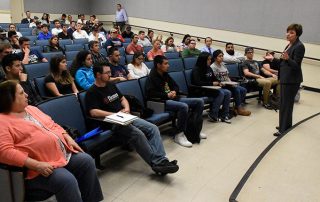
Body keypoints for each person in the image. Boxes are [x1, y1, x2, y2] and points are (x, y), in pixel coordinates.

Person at [0, 80, 104, 202]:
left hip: (60, 155)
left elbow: (53, 125)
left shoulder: (32, 109)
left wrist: (67, 137)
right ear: (9, 98)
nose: (27, 95)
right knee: (66, 180)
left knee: (86, 161)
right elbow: (4, 152)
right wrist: (36, 165)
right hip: (36, 168)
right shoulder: (3, 121)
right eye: (22, 93)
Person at [85, 62, 179, 174]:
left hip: (125, 117)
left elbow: (123, 99)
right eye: (107, 72)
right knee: (138, 134)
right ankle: (157, 164)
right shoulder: (92, 92)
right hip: (112, 123)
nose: (110, 74)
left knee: (153, 128)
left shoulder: (110, 85)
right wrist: (114, 115)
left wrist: (127, 108)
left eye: (110, 72)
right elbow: (93, 112)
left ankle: (161, 161)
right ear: (98, 74)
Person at [147, 55, 206, 147]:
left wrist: (174, 91)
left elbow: (176, 86)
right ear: (158, 65)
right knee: (183, 106)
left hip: (173, 98)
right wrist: (167, 95)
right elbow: (151, 93)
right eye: (165, 64)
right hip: (161, 101)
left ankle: (195, 130)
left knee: (199, 102)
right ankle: (179, 134)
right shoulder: (151, 77)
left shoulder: (165, 74)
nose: (168, 66)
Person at [274, 24, 305, 137]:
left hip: (291, 80)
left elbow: (296, 65)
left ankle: (283, 129)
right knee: (284, 104)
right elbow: (284, 62)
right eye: (287, 32)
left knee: (286, 104)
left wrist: (288, 58)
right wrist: (273, 59)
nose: (288, 34)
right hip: (285, 78)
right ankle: (285, 124)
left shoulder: (299, 46)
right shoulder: (289, 45)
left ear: (297, 35)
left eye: (291, 32)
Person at [191, 52, 232, 123]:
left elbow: (214, 78)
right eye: (208, 59)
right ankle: (213, 115)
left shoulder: (208, 68)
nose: (210, 61)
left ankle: (224, 114)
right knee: (220, 93)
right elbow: (197, 83)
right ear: (203, 60)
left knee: (227, 92)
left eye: (210, 59)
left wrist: (219, 82)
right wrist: (212, 83)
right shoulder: (196, 69)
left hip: (210, 89)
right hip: (200, 90)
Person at [210, 50, 251, 116]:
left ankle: (236, 107)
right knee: (237, 90)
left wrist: (231, 82)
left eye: (222, 56)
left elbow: (227, 76)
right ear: (215, 58)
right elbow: (215, 79)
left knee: (243, 90)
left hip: (228, 84)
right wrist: (226, 83)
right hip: (221, 85)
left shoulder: (223, 64)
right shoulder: (213, 67)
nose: (222, 57)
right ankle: (239, 108)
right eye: (219, 56)